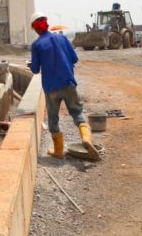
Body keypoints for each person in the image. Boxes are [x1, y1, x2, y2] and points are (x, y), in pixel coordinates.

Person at [29, 11, 100, 161]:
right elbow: (74, 58)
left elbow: (35, 70)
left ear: (35, 29)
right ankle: (86, 138)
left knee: (53, 119)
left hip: (51, 88)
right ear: (46, 23)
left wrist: (35, 64)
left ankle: (59, 151)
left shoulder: (36, 45)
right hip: (68, 83)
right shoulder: (62, 38)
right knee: (77, 112)